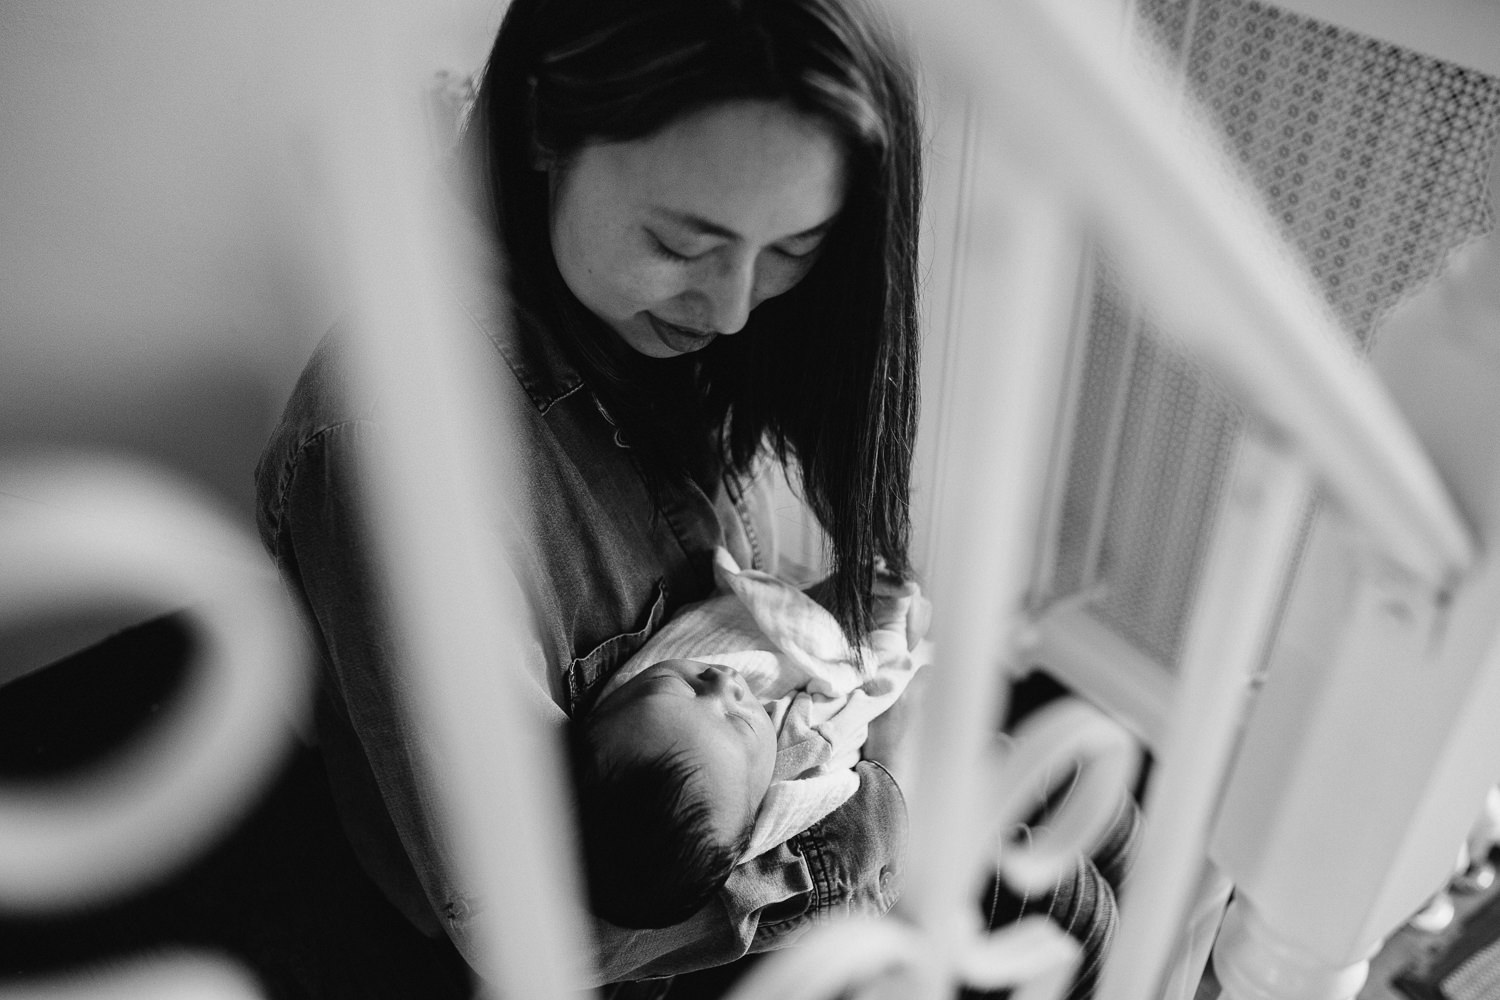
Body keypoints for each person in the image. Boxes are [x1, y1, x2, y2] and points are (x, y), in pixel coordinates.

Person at [254, 0, 1127, 994]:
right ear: (544, 126)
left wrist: (849, 659)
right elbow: (535, 924)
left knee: (1097, 813)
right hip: (669, 912)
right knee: (1076, 917)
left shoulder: (643, 328)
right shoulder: (398, 461)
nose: (734, 306)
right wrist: (863, 817)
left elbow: (710, 604)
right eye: (681, 242)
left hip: (797, 770)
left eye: (794, 249)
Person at [569, 547, 924, 930]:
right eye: (738, 721)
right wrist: (887, 631)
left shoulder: (626, 711)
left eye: (676, 683)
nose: (725, 681)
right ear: (757, 812)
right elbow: (876, 691)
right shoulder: (804, 742)